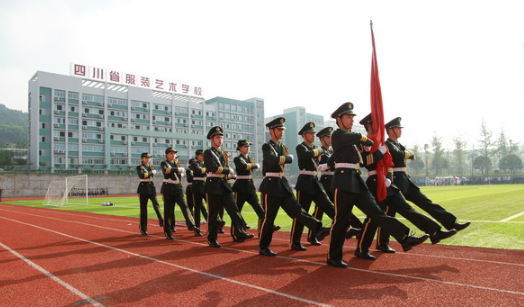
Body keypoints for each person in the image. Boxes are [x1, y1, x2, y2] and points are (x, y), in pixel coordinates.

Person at [327, 102, 429, 268]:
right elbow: (355, 140)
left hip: (357, 180)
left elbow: (362, 149)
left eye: (352, 117)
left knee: (376, 212)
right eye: (348, 117)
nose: (351, 120)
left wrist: (375, 148)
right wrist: (365, 140)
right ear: (339, 119)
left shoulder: (351, 139)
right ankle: (333, 256)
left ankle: (404, 237)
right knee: (341, 221)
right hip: (343, 181)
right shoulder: (338, 135)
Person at [354, 114, 457, 260]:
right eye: (376, 124)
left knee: (407, 209)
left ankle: (434, 232)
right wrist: (378, 153)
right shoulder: (365, 142)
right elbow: (366, 162)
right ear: (370, 125)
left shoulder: (382, 142)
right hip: (375, 182)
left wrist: (388, 179)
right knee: (373, 218)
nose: (379, 127)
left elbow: (390, 164)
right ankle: (361, 248)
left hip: (388, 183)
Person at [376, 116, 470, 250]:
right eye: (398, 128)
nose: (400, 131)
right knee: (392, 212)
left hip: (404, 179)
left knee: (425, 202)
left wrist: (406, 154)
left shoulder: (397, 144)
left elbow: (407, 154)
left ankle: (451, 223)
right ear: (390, 130)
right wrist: (407, 154)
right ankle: (382, 243)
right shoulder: (388, 144)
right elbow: (398, 156)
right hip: (395, 179)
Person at [258, 117, 330, 257]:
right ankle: (263, 246)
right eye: (279, 129)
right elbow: (272, 160)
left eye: (282, 129)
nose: (282, 132)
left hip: (282, 183)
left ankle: (318, 228)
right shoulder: (267, 146)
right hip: (271, 184)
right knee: (270, 217)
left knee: (297, 210)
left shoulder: (281, 147)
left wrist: (285, 157)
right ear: (271, 131)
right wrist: (289, 158)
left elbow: (278, 161)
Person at [291, 122, 340, 251]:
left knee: (328, 205)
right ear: (304, 135)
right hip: (304, 182)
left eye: (313, 133)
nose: (313, 135)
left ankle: (345, 226)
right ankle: (295, 241)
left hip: (315, 180)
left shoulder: (318, 149)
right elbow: (307, 155)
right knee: (303, 213)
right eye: (310, 134)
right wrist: (319, 150)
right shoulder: (300, 147)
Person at [204, 126, 254, 247]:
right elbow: (213, 168)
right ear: (212, 139)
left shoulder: (223, 153)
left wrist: (229, 175)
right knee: (213, 214)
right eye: (217, 138)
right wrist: (228, 170)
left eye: (221, 138)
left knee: (234, 209)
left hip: (224, 185)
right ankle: (212, 239)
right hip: (213, 185)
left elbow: (222, 170)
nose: (220, 140)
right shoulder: (208, 153)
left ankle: (241, 232)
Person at [315, 127, 363, 244]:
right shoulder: (320, 151)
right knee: (326, 209)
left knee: (337, 210)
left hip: (335, 179)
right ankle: (317, 231)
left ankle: (324, 231)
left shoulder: (332, 151)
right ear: (322, 139)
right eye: (327, 137)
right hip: (326, 181)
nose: (330, 139)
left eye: (330, 136)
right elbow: (318, 165)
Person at [232, 139, 280, 234]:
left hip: (250, 187)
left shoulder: (249, 159)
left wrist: (253, 165)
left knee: (259, 208)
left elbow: (249, 166)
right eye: (245, 146)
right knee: (237, 211)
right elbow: (243, 166)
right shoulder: (237, 159)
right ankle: (238, 233)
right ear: (240, 148)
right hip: (240, 187)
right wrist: (255, 165)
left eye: (248, 146)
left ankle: (268, 227)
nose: (248, 148)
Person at [160, 147, 201, 240]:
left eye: (174, 153)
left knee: (184, 206)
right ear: (167, 155)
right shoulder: (164, 163)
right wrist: (177, 170)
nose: (173, 155)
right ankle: (168, 231)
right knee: (168, 211)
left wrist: (178, 170)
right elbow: (166, 171)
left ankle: (191, 224)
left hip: (178, 188)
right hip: (168, 188)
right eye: (171, 153)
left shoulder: (177, 164)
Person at [136, 152, 163, 236]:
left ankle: (162, 221)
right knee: (143, 209)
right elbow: (142, 175)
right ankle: (143, 229)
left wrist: (148, 173)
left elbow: (148, 175)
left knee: (156, 205)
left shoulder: (151, 167)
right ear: (142, 159)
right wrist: (151, 172)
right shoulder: (139, 167)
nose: (148, 159)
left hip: (151, 186)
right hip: (143, 188)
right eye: (146, 157)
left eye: (149, 158)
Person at [189, 150, 210, 229]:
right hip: (197, 187)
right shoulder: (194, 164)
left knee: (210, 206)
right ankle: (197, 227)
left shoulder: (205, 164)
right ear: (197, 156)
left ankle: (212, 224)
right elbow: (198, 170)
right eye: (201, 155)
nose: (203, 157)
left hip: (205, 186)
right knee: (197, 208)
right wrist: (207, 169)